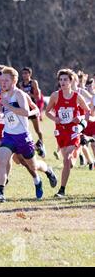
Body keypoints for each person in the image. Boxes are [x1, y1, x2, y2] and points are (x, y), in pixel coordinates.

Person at [0, 67, 45, 203]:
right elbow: (8, 115)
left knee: (32, 166)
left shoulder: (19, 94)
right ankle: (0, 193)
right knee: (1, 159)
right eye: (1, 80)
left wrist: (8, 106)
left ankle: (43, 175)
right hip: (9, 135)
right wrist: (0, 115)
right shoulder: (2, 96)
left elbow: (26, 113)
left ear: (14, 80)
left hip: (23, 136)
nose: (3, 83)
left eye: (6, 81)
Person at [45, 69, 91, 198]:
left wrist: (80, 121)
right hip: (60, 131)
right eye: (61, 80)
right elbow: (47, 111)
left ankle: (62, 190)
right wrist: (55, 119)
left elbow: (87, 112)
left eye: (65, 80)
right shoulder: (55, 95)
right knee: (66, 160)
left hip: (73, 131)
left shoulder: (77, 96)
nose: (62, 82)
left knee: (67, 159)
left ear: (71, 81)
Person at [19, 67, 46, 158]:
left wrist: (26, 94)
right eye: (23, 73)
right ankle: (28, 147)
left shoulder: (33, 83)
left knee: (37, 130)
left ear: (30, 74)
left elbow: (38, 97)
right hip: (24, 110)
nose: (24, 75)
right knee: (24, 130)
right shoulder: (20, 84)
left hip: (33, 109)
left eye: (26, 73)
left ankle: (42, 145)